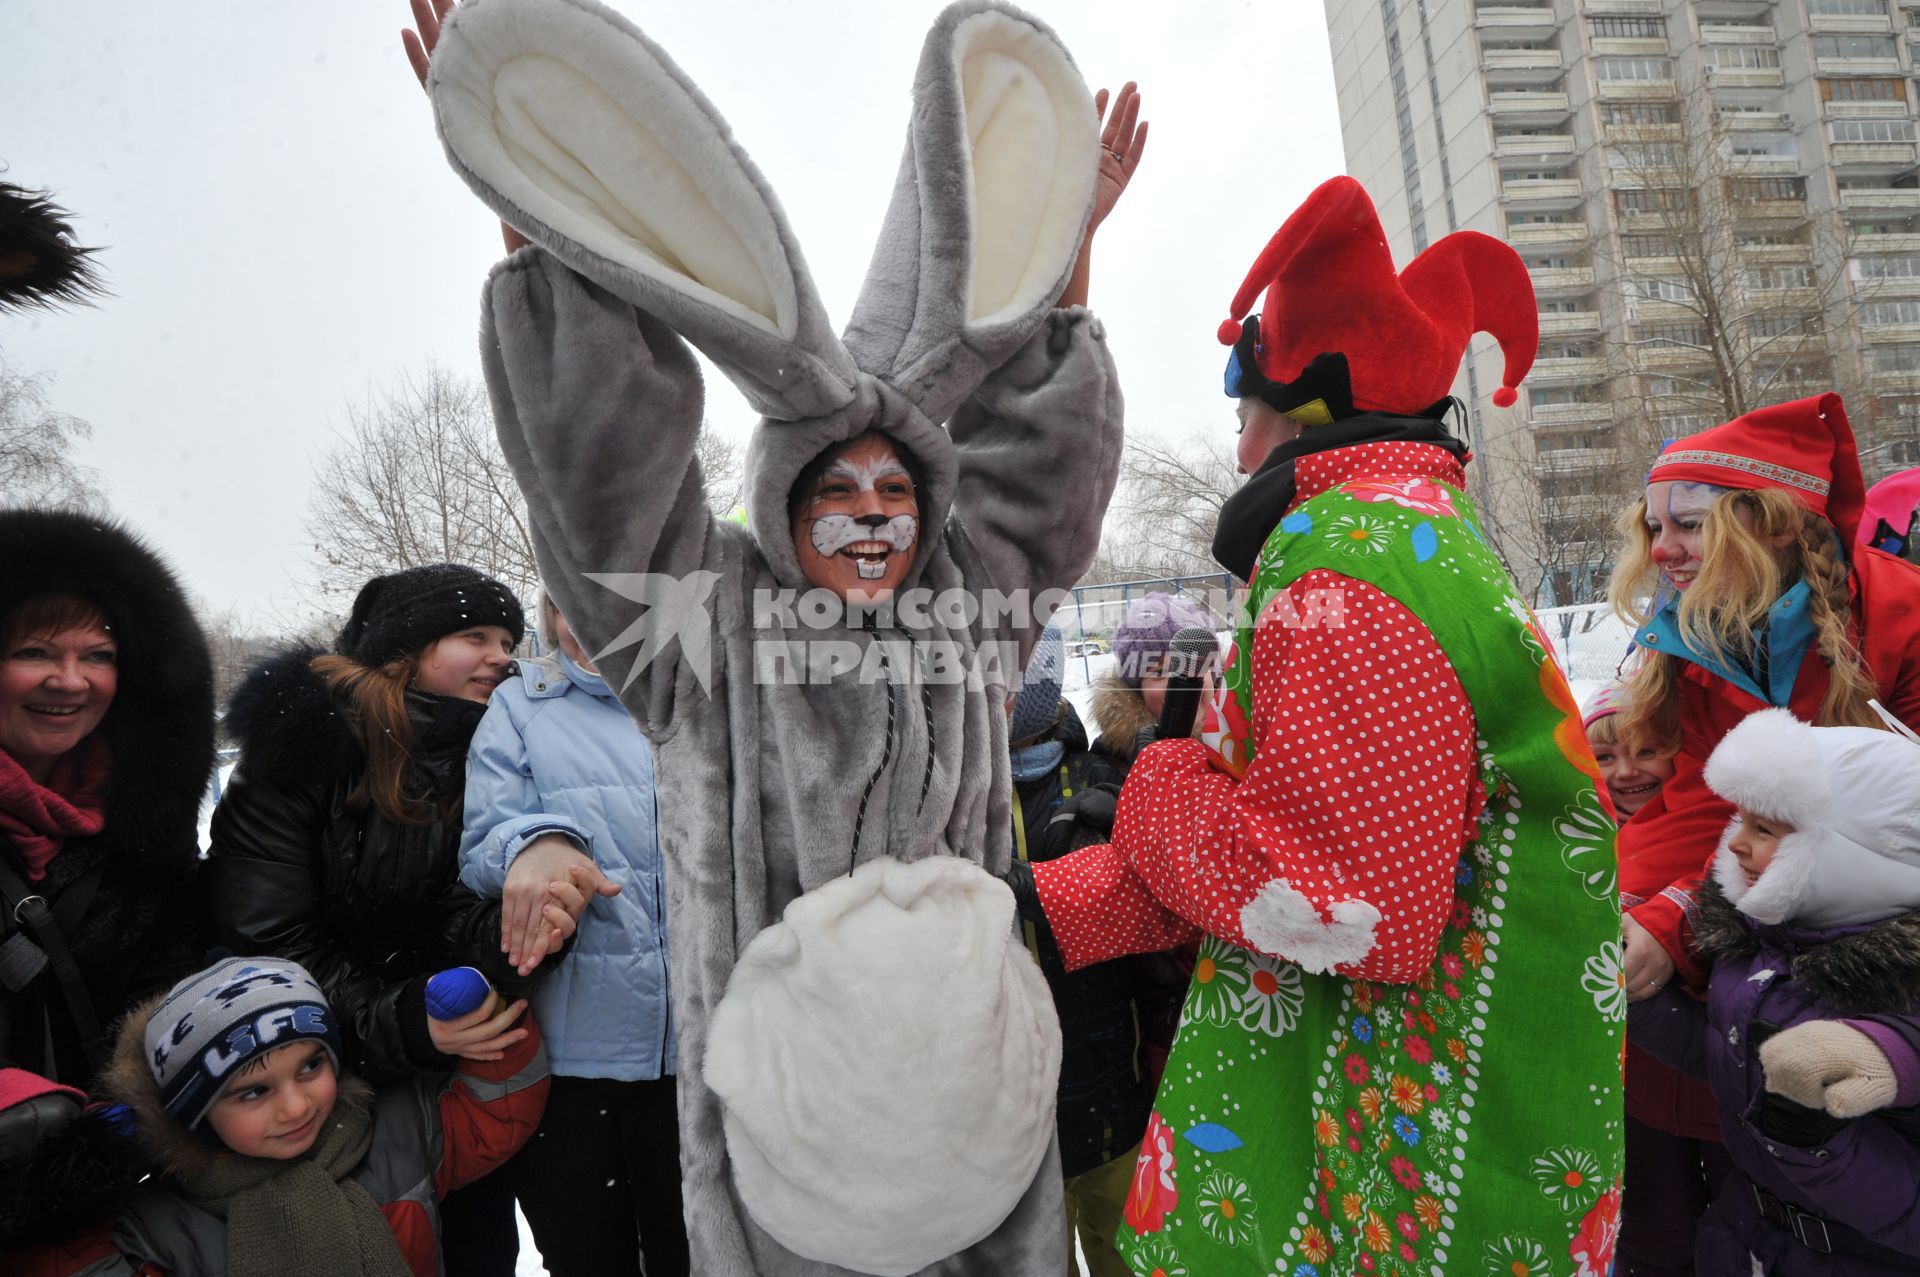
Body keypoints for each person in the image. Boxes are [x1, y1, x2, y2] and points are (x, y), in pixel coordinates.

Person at [407, 0, 1134, 1270]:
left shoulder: (971, 616)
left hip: (982, 1126)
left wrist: (1065, 277)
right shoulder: (703, 631)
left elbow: (1049, 482)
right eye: (835, 491)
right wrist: (541, 227)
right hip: (794, 1164)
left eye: (896, 490)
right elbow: (604, 474)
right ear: (784, 504)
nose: (869, 517)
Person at [1017, 176, 1625, 1273]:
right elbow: (1305, 839)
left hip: (1395, 1177)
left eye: (1242, 411)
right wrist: (1036, 905)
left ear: (1303, 411)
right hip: (1385, 1126)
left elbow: (1345, 910)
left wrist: (1158, 779)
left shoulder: (1353, 561)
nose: (1240, 449)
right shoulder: (1399, 538)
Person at [204, 563, 604, 1277]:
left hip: (447, 1080)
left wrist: (524, 934)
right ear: (404, 648)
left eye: (509, 637)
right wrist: (403, 1022)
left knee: (479, 1250)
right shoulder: (301, 754)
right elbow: (263, 943)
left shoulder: (489, 751)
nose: (501, 654)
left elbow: (453, 911)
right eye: (473, 634)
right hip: (304, 1087)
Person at [1604, 398, 1920, 1269]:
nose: (1661, 546)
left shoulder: (1901, 620)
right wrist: (1653, 917)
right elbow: (1704, 811)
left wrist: (1687, 916)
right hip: (1760, 953)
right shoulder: (1697, 638)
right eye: (1653, 524)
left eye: (1690, 524)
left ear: (1772, 526)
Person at [20, 955, 548, 1277]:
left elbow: (493, 1120)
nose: (297, 1106)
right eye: (252, 1093)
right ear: (195, 1115)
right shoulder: (162, 1222)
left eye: (311, 1065)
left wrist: (489, 1028)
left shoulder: (391, 1132)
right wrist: (38, 1177)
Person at [1628, 709, 1920, 1273]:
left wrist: (1813, 1140)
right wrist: (1641, 1003)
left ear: (1854, 859)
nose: (1735, 844)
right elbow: (1727, 1059)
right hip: (1748, 1236)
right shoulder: (1767, 944)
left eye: (1764, 831)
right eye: (1739, 821)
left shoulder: (1898, 987)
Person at [0, 509, 214, 1253]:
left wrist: (132, 1108)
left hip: (109, 1204)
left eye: (98, 654)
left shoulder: (139, 821)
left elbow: (168, 978)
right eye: (34, 650)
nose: (69, 680)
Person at [460, 594, 686, 1277]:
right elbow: (482, 840)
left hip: (705, 1062)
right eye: (574, 605)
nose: (594, 625)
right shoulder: (520, 708)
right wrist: (536, 841)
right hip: (571, 1068)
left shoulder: (711, 701)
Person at [1588, 682, 1730, 1274]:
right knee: (1651, 1231)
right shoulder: (1579, 845)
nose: (1627, 772)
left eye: (1647, 750)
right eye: (1604, 758)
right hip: (1635, 1093)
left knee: (1734, 1229)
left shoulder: (1719, 840)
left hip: (1723, 1094)